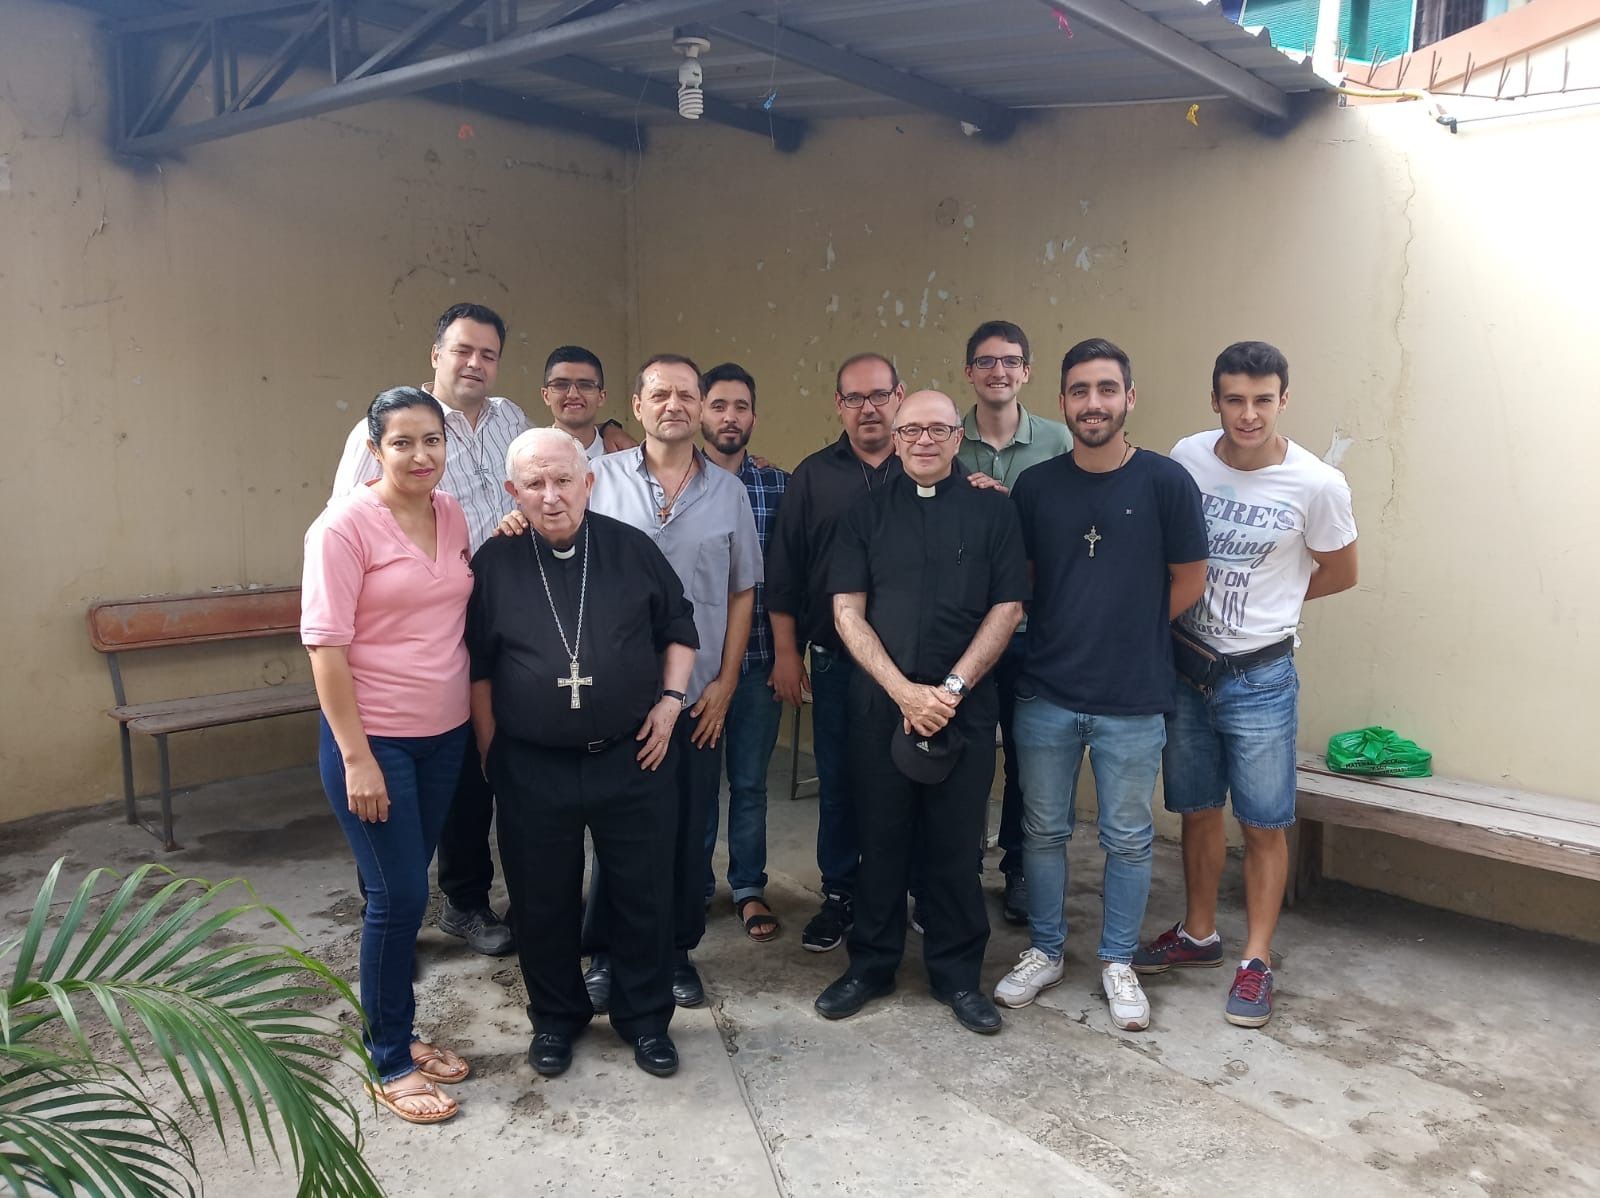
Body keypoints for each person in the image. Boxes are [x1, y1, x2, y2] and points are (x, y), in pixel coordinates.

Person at [1133, 341, 1358, 1028]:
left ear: (1283, 400)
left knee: (1263, 822)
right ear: (1215, 401)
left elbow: (1341, 571)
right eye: (1235, 399)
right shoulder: (1188, 458)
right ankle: (1199, 933)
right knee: (1196, 810)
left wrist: (1279, 604)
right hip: (1186, 666)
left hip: (1259, 676)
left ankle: (1256, 960)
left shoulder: (1316, 484)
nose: (1249, 414)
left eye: (1263, 400)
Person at [468, 427, 698, 1079]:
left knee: (644, 894)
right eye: (533, 484)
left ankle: (645, 1018)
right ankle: (556, 1019)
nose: (550, 495)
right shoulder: (494, 562)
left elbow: (680, 629)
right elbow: (478, 668)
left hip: (632, 757)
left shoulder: (632, 550)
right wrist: (492, 752)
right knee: (541, 902)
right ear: (513, 491)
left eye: (563, 480)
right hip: (531, 764)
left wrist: (670, 702)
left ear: (588, 482)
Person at [993, 338, 1208, 1032]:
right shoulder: (1039, 487)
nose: (1093, 403)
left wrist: (1135, 629)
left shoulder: (1166, 483)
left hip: (1134, 696)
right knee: (1044, 831)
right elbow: (1021, 577)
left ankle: (1117, 959)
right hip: (1047, 692)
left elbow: (1191, 578)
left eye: (1106, 389)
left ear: (1129, 398)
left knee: (1128, 837)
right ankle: (1048, 950)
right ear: (1062, 402)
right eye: (1080, 391)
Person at [813, 391, 1028, 1034]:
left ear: (958, 437)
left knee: (956, 847)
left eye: (937, 429)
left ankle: (959, 975)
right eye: (912, 430)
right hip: (881, 705)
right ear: (897, 437)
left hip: (963, 706)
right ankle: (871, 965)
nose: (924, 440)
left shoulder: (995, 511)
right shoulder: (865, 512)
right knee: (878, 840)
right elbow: (846, 610)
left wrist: (952, 690)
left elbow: (1008, 607)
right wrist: (904, 692)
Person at [303, 387, 475, 1124]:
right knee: (398, 897)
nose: (419, 455)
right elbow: (325, 647)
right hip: (374, 742)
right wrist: (357, 756)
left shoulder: (451, 513)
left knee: (401, 891)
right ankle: (389, 1060)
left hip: (446, 736)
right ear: (374, 449)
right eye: (401, 442)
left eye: (431, 440)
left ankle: (396, 1027)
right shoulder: (342, 528)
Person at [329, 302, 521, 957]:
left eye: (488, 353)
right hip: (404, 627)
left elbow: (525, 494)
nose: (475, 363)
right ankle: (391, 919)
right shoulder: (380, 433)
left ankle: (465, 903)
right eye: (462, 350)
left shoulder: (511, 419)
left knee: (468, 775)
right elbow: (346, 532)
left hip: (482, 615)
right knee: (385, 791)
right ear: (436, 354)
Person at [580, 354, 761, 1010]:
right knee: (618, 831)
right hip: (617, 692)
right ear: (638, 405)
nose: (674, 405)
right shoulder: (593, 480)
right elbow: (547, 532)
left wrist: (728, 682)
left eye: (688, 394)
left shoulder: (729, 494)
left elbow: (743, 592)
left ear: (702, 407)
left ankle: (676, 952)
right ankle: (603, 952)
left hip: (700, 697)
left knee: (689, 830)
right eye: (661, 393)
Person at [766, 352, 905, 953]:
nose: (869, 407)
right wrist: (786, 653)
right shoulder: (813, 477)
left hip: (913, 665)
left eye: (879, 395)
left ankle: (905, 889)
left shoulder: (929, 466)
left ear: (900, 396)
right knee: (842, 780)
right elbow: (785, 573)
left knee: (910, 777)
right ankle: (842, 894)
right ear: (839, 406)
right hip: (834, 659)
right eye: (855, 398)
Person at [954, 320, 1072, 926]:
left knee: (1031, 758)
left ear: (1026, 371)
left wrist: (1012, 508)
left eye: (1010, 361)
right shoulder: (947, 439)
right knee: (969, 753)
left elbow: (1073, 530)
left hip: (1037, 633)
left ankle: (1020, 868)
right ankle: (961, 866)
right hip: (966, 634)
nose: (998, 371)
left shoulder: (1057, 441)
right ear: (969, 372)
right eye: (985, 361)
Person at [699, 362, 788, 942]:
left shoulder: (777, 485)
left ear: (754, 415)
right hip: (697, 667)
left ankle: (749, 887)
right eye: (719, 405)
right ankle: (695, 887)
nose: (730, 417)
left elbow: (786, 575)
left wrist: (787, 652)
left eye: (741, 407)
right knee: (700, 785)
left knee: (751, 783)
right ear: (701, 412)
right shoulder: (681, 482)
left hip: (758, 661)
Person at [539, 344, 638, 460]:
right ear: (546, 396)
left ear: (601, 397)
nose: (573, 394)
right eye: (561, 385)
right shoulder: (528, 454)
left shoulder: (626, 460)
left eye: (585, 386)